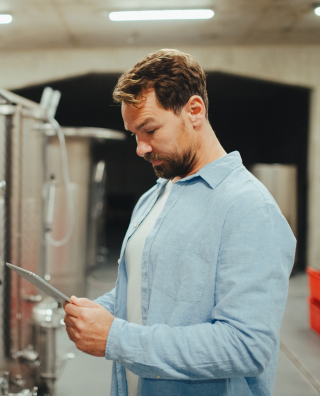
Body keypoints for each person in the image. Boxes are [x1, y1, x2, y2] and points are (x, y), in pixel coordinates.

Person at [63, 49, 296, 396]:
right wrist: (102, 310)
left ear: (194, 111)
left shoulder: (249, 208)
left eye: (150, 129)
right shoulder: (154, 196)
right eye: (134, 134)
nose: (141, 148)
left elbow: (247, 345)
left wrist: (117, 337)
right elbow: (147, 286)